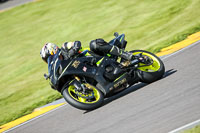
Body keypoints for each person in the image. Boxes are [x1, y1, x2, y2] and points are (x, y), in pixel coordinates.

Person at [40, 39, 133, 65]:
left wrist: (74, 49)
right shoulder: (61, 65)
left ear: (52, 50)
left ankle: (125, 54)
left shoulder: (64, 47)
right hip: (90, 66)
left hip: (95, 55)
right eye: (46, 59)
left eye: (48, 57)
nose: (49, 60)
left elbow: (76, 43)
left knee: (94, 43)